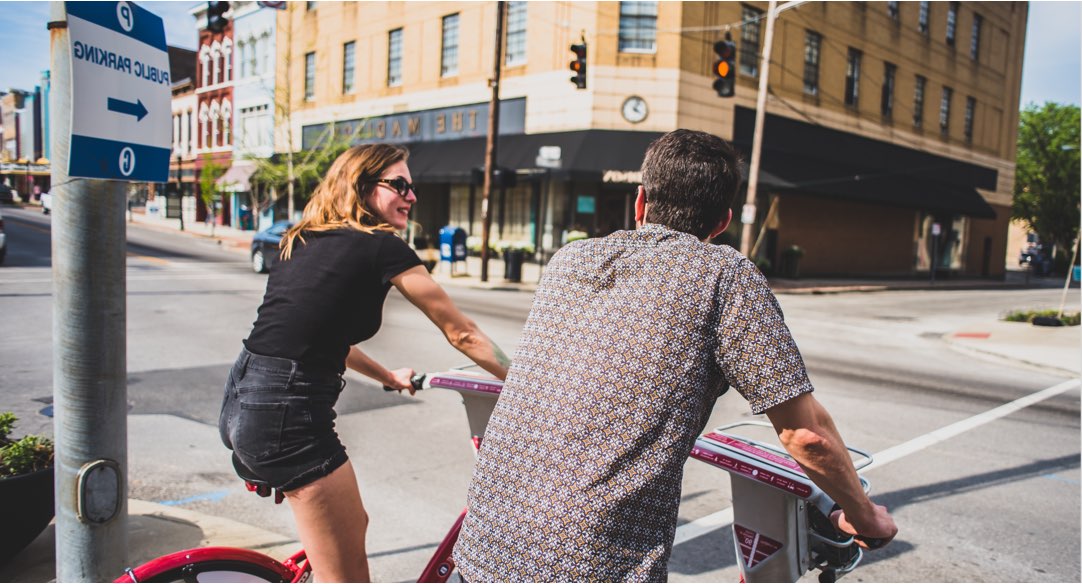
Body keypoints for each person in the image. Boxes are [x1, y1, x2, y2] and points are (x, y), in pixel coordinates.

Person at [453, 129, 897, 582]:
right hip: (590, 568)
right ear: (722, 222)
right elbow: (806, 435)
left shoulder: (570, 260)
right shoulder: (725, 277)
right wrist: (864, 516)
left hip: (483, 544)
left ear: (640, 202)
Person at [218, 143, 510, 582]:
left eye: (412, 187)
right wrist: (533, 383)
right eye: (400, 185)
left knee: (346, 532)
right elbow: (462, 333)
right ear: (362, 186)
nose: (411, 197)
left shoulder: (300, 239)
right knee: (348, 573)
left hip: (241, 404)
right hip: (286, 420)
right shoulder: (381, 246)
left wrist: (388, 377)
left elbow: (322, 338)